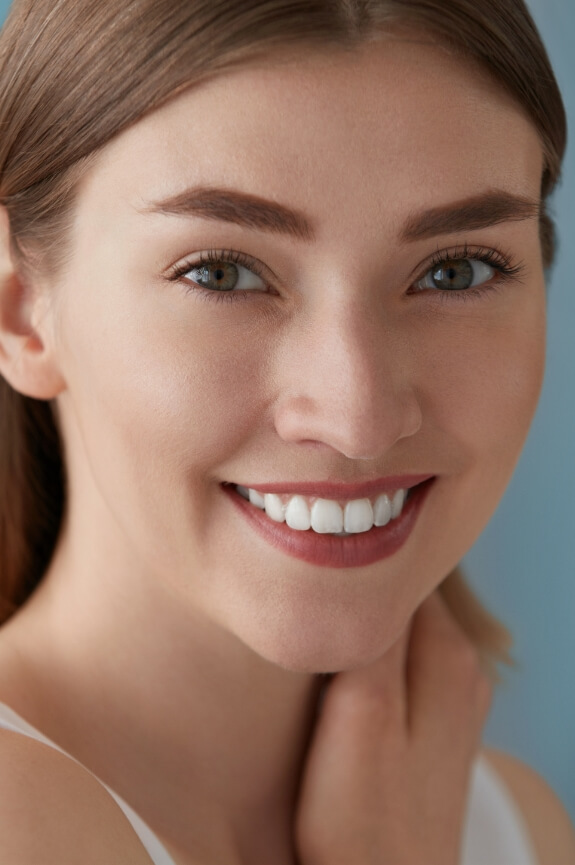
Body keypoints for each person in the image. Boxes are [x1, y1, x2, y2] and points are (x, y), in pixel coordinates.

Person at [0, 0, 573, 862]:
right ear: (20, 315)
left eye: (456, 269)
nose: (358, 416)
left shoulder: (513, 823)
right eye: (222, 272)